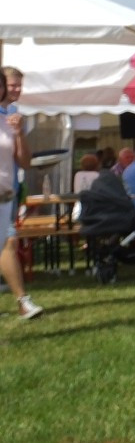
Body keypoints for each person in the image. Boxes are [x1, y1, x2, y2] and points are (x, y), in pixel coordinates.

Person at [0, 70, 43, 319]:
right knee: (9, 243)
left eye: (19, 86)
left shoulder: (12, 118)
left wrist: (19, 134)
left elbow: (24, 162)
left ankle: (22, 301)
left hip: (8, 195)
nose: (16, 90)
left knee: (8, 243)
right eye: (12, 85)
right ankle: (23, 300)